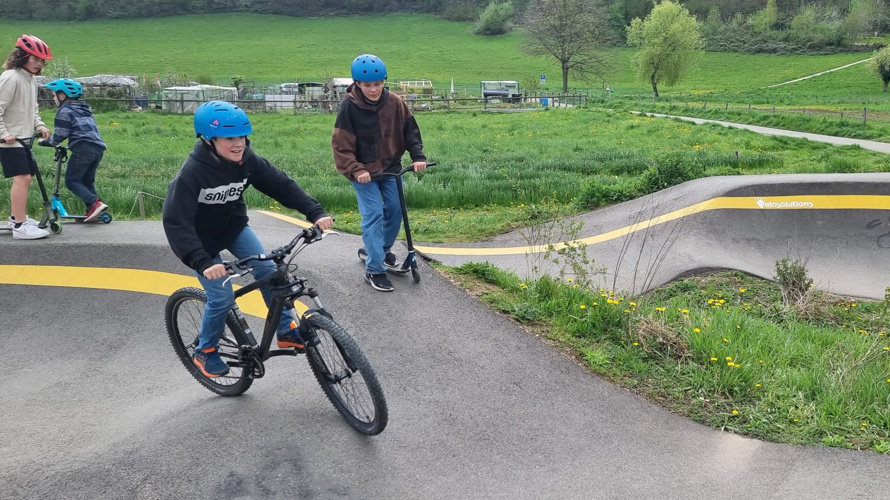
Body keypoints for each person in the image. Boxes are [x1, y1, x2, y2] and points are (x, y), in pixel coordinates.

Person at [163, 100, 334, 378]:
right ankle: (205, 351)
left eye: (242, 136)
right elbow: (176, 223)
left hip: (233, 228)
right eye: (229, 138)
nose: (238, 143)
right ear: (208, 140)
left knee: (271, 271)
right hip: (200, 242)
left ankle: (285, 331)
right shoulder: (191, 174)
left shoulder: (248, 162)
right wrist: (203, 262)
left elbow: (281, 184)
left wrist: (314, 211)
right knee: (221, 295)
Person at [332, 53, 427, 292]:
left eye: (378, 84)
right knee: (373, 214)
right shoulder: (349, 108)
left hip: (391, 168)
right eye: (367, 85)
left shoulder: (394, 102)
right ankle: (374, 269)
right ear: (357, 84)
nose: (373, 89)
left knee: (396, 210)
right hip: (363, 173)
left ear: (384, 81)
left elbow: (410, 131)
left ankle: (380, 249)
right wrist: (356, 169)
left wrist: (417, 156)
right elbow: (341, 145)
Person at [0, 34, 53, 240]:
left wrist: (39, 125)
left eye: (41, 61)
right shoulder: (10, 78)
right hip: (9, 140)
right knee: (23, 179)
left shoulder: (30, 79)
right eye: (36, 59)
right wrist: (4, 134)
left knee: (25, 180)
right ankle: (20, 227)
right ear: (22, 56)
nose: (39, 64)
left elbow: (32, 108)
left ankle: (17, 218)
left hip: (23, 138)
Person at [40, 78, 108, 222]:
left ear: (62, 96)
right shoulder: (84, 109)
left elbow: (60, 135)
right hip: (97, 149)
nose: (53, 98)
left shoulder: (64, 110)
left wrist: (45, 142)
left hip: (83, 148)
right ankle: (94, 211)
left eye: (54, 95)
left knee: (72, 181)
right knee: (87, 182)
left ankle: (95, 203)